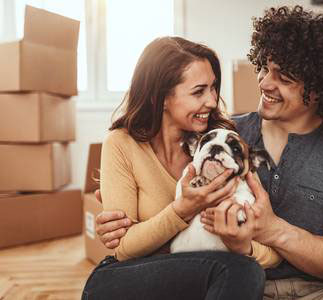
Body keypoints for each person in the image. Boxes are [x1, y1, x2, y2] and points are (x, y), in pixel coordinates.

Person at [95, 5, 323, 300]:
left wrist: (272, 230)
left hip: (321, 293)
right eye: (265, 67)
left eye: (284, 76)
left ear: (322, 88)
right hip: (234, 287)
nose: (264, 82)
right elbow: (167, 189)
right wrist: (119, 216)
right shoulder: (223, 135)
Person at [81, 36, 270, 300]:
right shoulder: (121, 144)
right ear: (161, 97)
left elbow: (264, 243)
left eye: (214, 88)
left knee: (242, 271)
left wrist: (244, 247)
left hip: (211, 275)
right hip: (128, 277)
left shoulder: (223, 144)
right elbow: (124, 249)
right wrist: (183, 209)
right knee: (237, 272)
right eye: (199, 91)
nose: (213, 101)